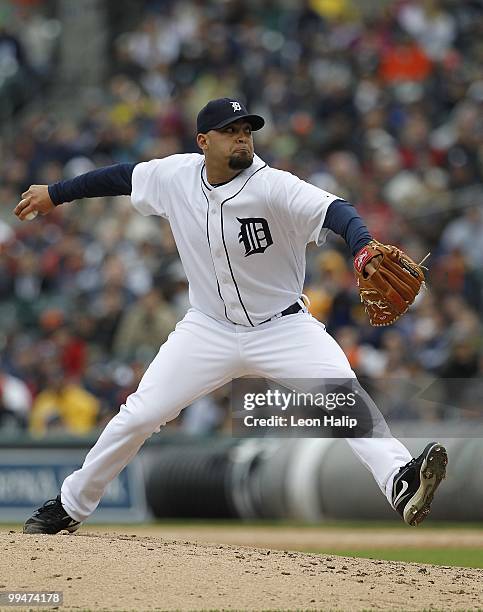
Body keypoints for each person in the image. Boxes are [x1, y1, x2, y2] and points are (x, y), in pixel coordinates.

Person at [16, 98, 447, 534]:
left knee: (346, 399)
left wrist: (363, 246)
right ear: (204, 141)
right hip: (207, 330)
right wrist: (55, 193)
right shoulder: (175, 175)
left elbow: (337, 211)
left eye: (247, 128)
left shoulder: (274, 185)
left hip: (284, 328)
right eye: (230, 130)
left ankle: (400, 481)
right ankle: (70, 506)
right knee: (139, 415)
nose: (243, 136)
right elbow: (119, 177)